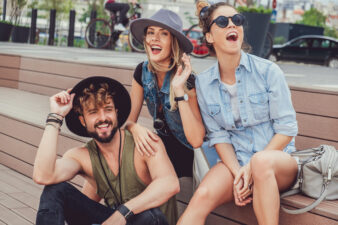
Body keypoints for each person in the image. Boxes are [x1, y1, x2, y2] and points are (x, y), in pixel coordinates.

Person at [177, 1, 299, 225]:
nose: (232, 25)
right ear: (210, 37)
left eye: (237, 20)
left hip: (279, 161)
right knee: (201, 197)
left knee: (261, 162)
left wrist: (252, 168)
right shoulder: (205, 84)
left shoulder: (268, 71)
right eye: (222, 22)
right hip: (237, 161)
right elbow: (219, 136)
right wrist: (239, 172)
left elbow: (287, 130)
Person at [33, 76, 179, 225]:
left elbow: (169, 183)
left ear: (116, 112)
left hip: (152, 222)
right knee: (55, 190)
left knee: (149, 215)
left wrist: (123, 213)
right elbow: (43, 175)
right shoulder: (82, 156)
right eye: (93, 112)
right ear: (83, 120)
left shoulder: (144, 142)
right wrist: (55, 117)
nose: (103, 118)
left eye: (108, 109)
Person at [126, 9, 206, 178]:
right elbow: (129, 120)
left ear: (173, 43)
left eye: (163, 34)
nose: (154, 38)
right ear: (146, 40)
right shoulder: (142, 72)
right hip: (162, 146)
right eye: (150, 33)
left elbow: (197, 140)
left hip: (188, 154)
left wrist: (178, 90)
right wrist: (135, 128)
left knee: (141, 158)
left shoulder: (186, 80)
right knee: (117, 152)